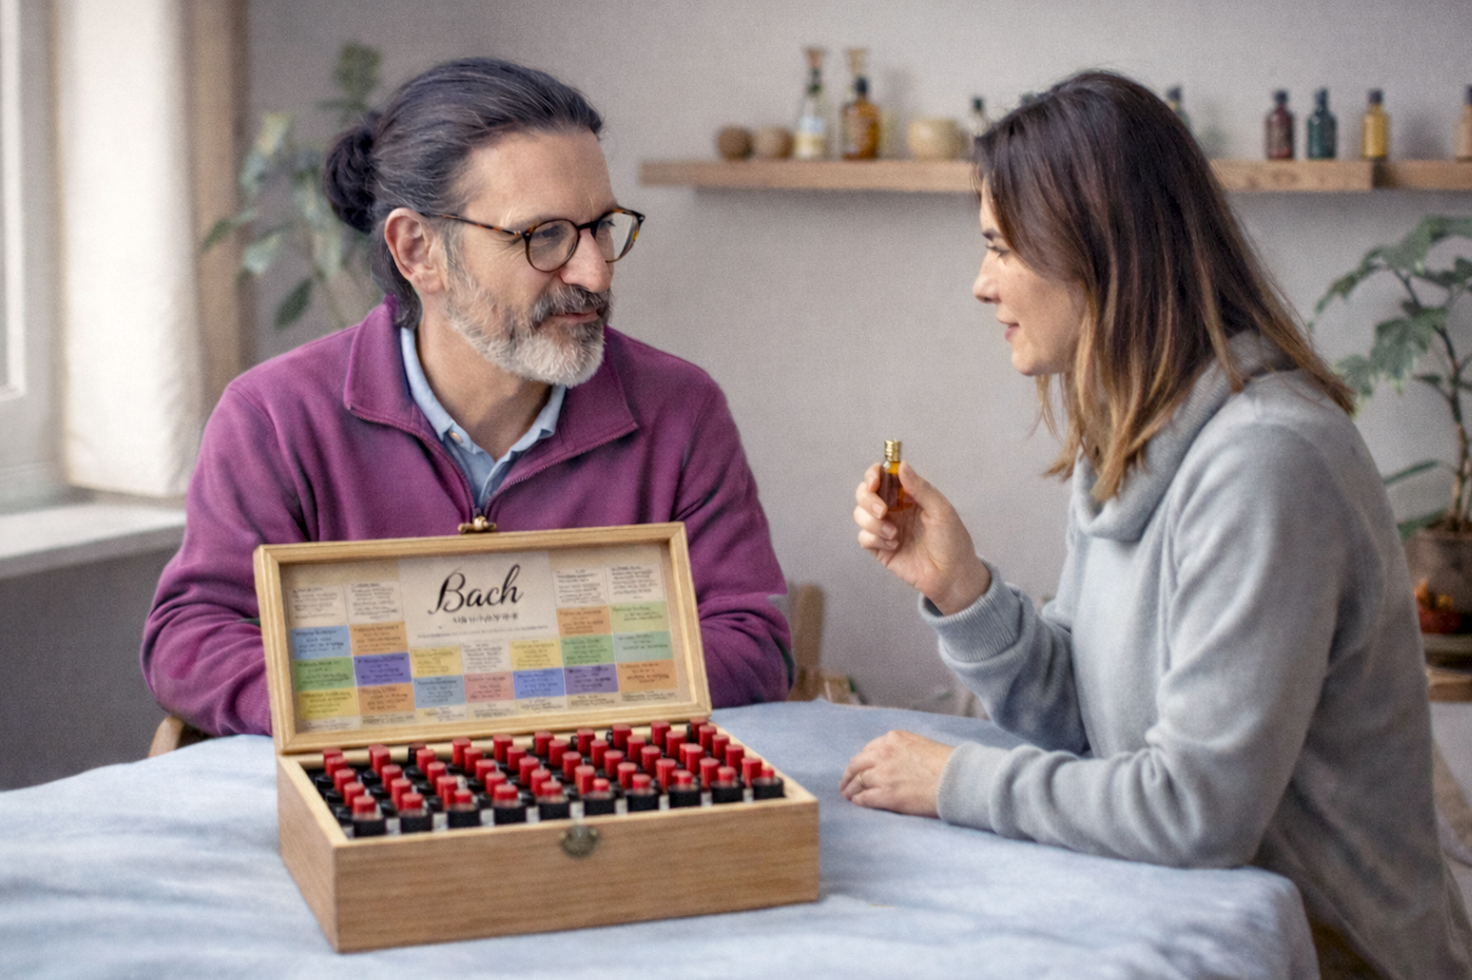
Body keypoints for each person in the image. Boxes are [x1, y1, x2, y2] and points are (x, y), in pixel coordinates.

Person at [841, 71, 1472, 979]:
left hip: (1338, 956)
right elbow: (1095, 720)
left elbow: (1194, 809)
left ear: (1094, 248)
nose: (980, 285)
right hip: (1197, 912)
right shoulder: (1133, 438)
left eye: (997, 245)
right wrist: (961, 586)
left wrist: (955, 781)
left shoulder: (1265, 461)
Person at [142, 58, 790, 735]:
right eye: (545, 236)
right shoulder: (273, 417)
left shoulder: (680, 410)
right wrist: (409, 707)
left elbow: (751, 639)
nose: (595, 270)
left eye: (602, 227)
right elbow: (192, 638)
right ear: (418, 250)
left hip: (601, 802)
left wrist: (512, 693)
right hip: (368, 801)